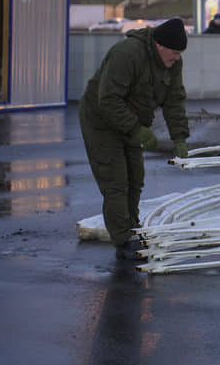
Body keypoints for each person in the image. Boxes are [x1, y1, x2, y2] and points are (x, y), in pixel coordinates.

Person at [79, 18, 190, 260]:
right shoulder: (127, 54)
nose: (177, 58)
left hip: (131, 122)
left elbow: (174, 99)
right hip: (101, 121)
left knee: (135, 176)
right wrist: (137, 131)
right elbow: (108, 99)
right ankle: (122, 238)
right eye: (174, 52)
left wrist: (179, 137)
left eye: (181, 53)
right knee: (116, 179)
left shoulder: (172, 63)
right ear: (159, 45)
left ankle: (131, 227)